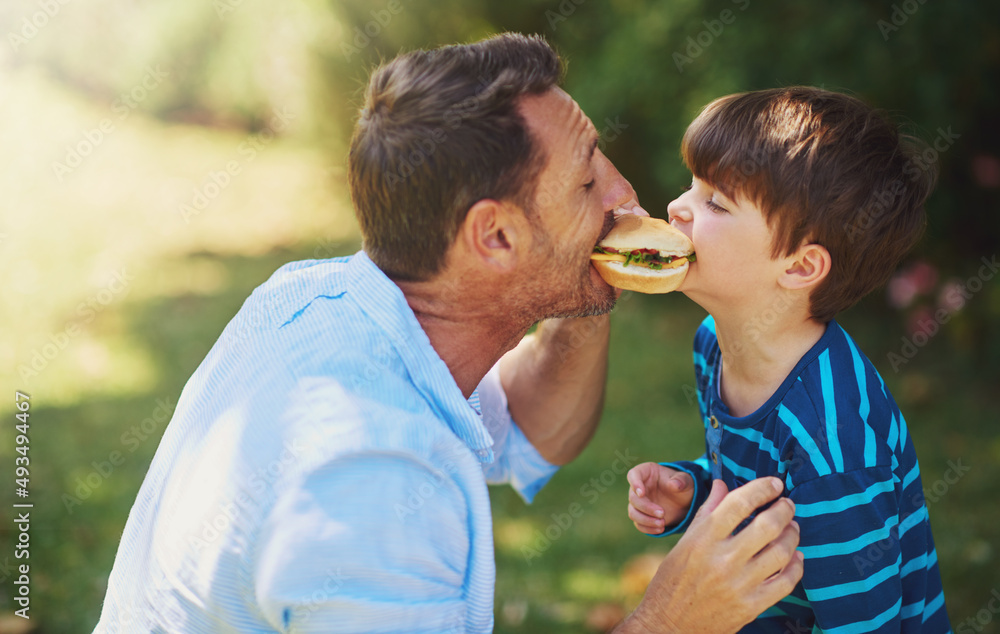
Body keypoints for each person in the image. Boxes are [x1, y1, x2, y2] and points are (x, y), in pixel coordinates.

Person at [94, 34, 803, 633]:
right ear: (494, 235)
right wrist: (671, 619)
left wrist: (590, 281)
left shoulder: (321, 298)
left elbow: (532, 429)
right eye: (587, 183)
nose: (624, 194)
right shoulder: (371, 484)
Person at [626, 87, 952, 632]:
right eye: (693, 186)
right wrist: (698, 492)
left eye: (715, 203)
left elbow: (863, 621)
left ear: (800, 267)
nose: (676, 207)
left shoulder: (832, 439)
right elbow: (769, 497)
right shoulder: (714, 344)